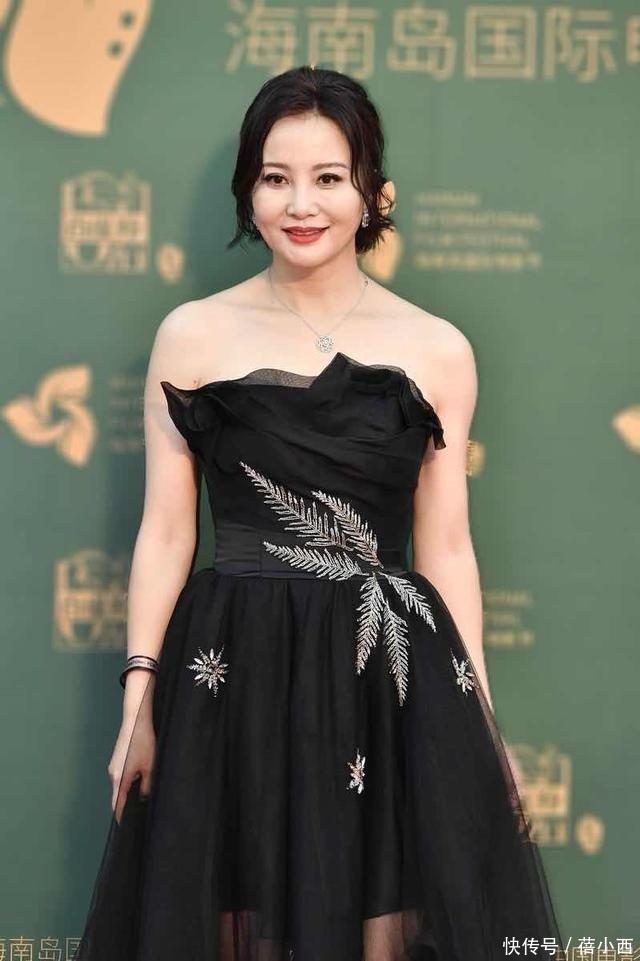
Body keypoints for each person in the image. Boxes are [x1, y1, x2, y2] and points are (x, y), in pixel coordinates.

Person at [77, 65, 564, 960]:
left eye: (329, 177)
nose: (301, 204)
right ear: (248, 191)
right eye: (276, 177)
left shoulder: (438, 349)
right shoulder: (192, 334)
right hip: (234, 669)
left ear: (373, 192)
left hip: (386, 673)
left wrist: (481, 721)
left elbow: (447, 547)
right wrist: (138, 700)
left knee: (380, 923)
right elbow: (168, 531)